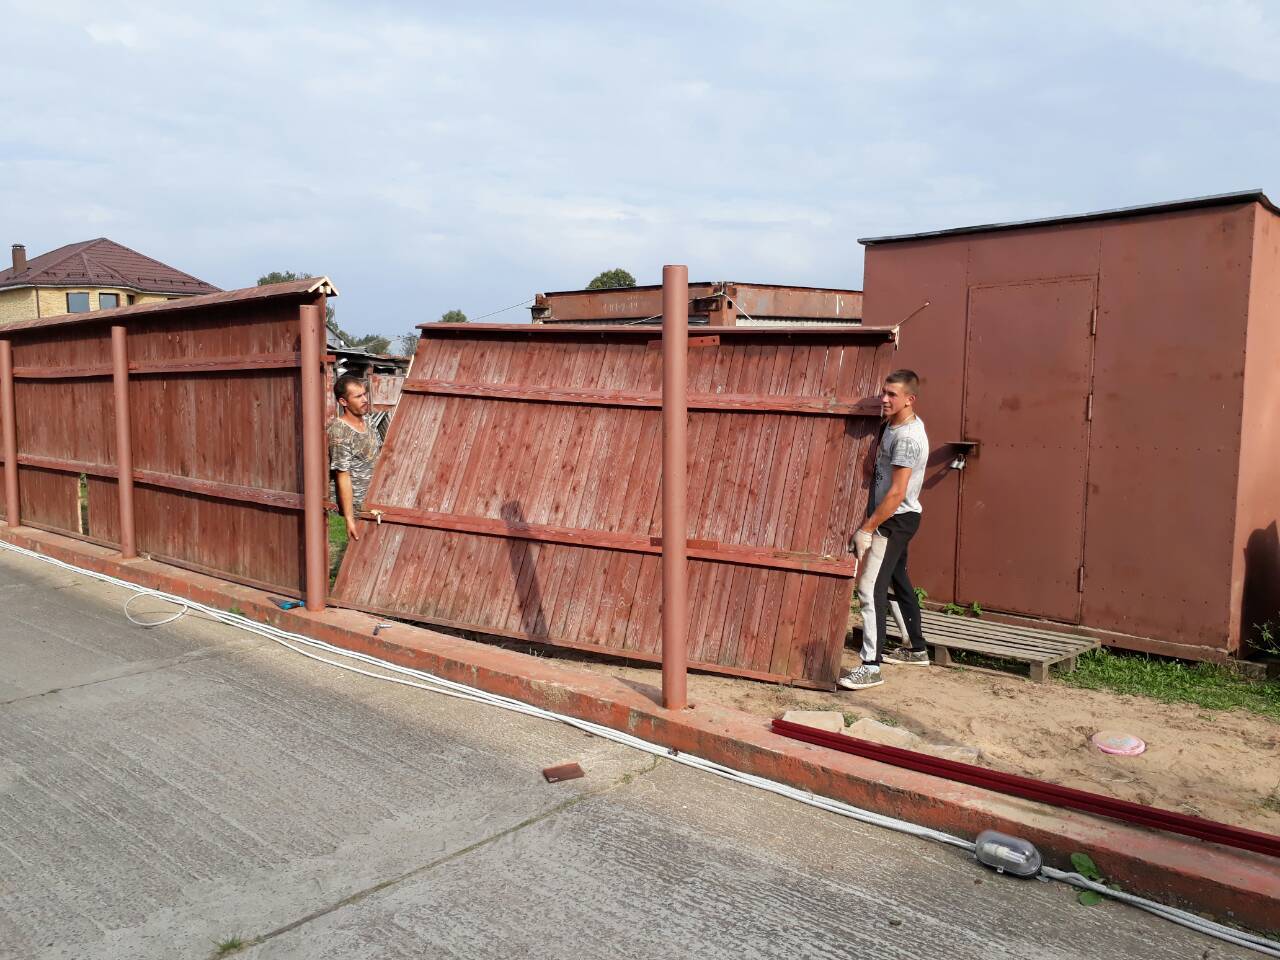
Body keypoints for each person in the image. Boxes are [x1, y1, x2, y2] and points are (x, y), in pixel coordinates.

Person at [839, 369, 929, 691]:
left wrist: (867, 529)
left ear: (910, 399)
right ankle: (916, 649)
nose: (884, 399)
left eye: (892, 395)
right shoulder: (891, 425)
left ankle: (871, 666)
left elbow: (896, 493)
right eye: (883, 392)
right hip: (898, 517)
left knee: (869, 587)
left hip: (894, 520)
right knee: (897, 578)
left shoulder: (907, 439)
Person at [327, 374, 382, 551]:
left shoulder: (369, 422)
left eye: (365, 394)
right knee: (362, 555)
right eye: (358, 396)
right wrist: (349, 519)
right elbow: (342, 475)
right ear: (343, 402)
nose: (365, 400)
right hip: (359, 508)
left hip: (377, 500)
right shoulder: (340, 432)